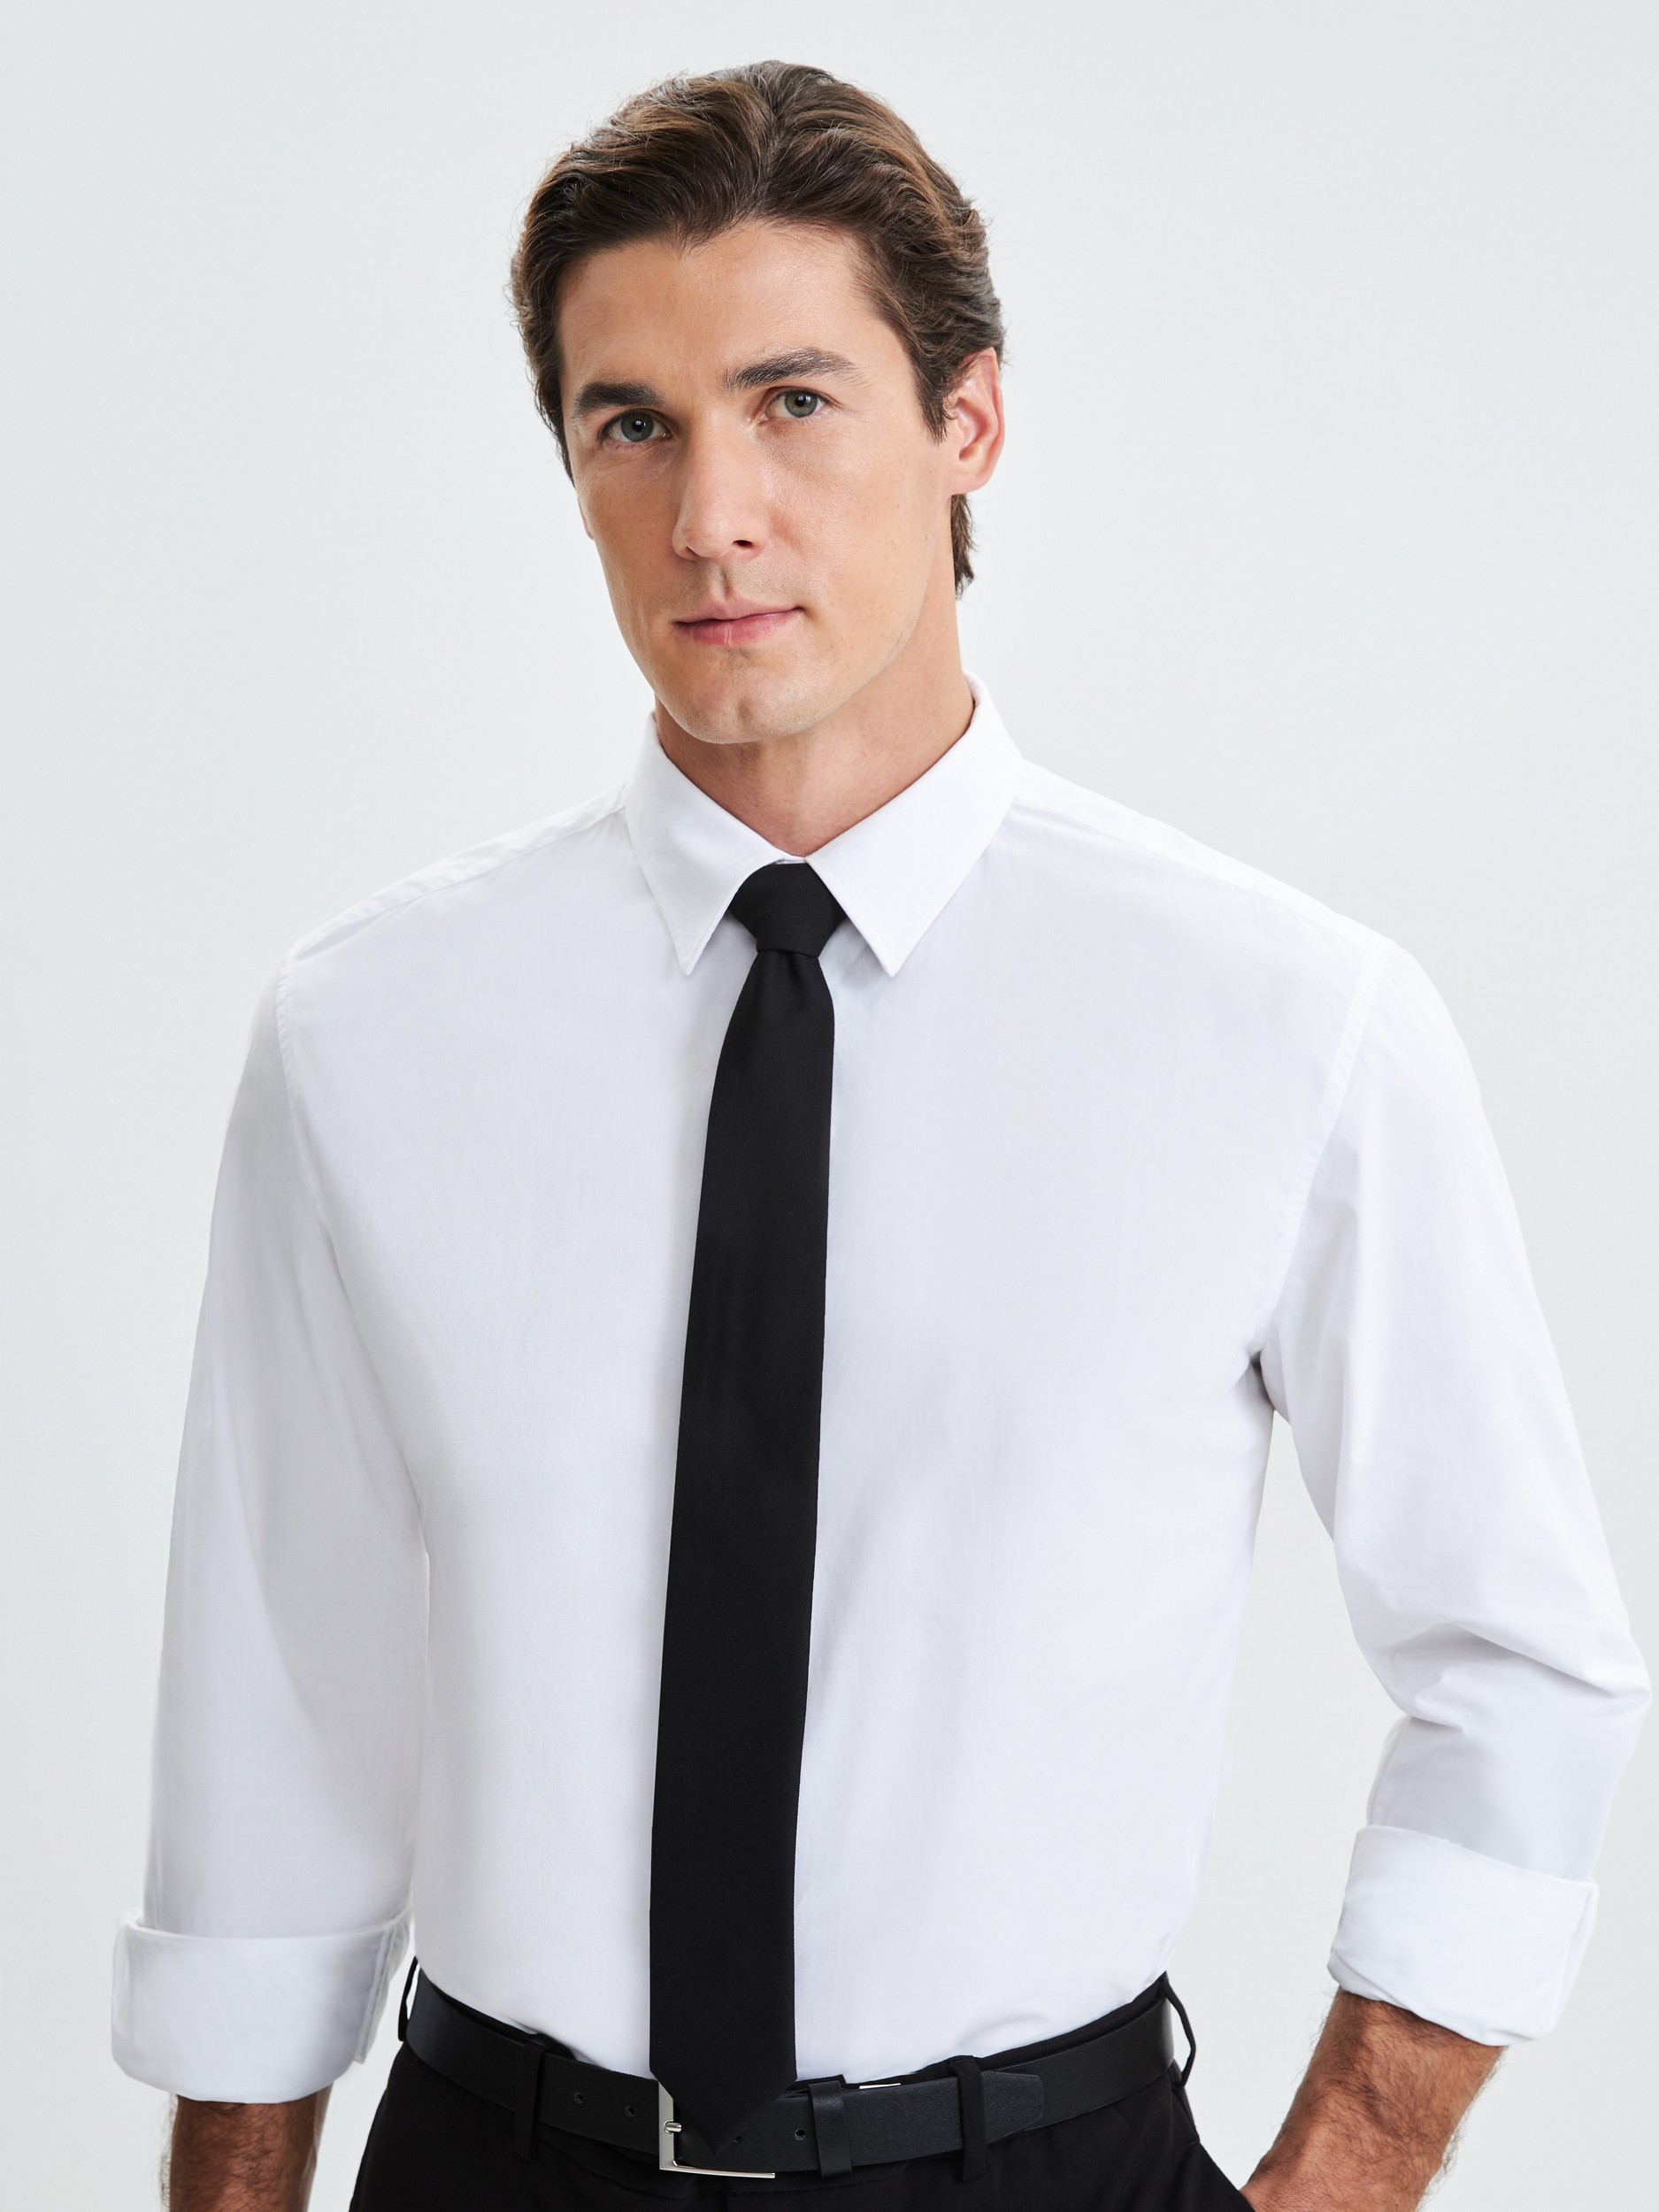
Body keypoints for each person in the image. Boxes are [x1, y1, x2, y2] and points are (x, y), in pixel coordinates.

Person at [112, 60, 1646, 2212]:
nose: (709, 513)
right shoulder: (369, 1030)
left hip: (1036, 2161)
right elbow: (276, 1700)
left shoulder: (1281, 1023)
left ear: (966, 420)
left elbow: (1518, 1665)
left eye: (792, 401)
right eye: (631, 423)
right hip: (496, 2155)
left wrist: (1343, 2167)